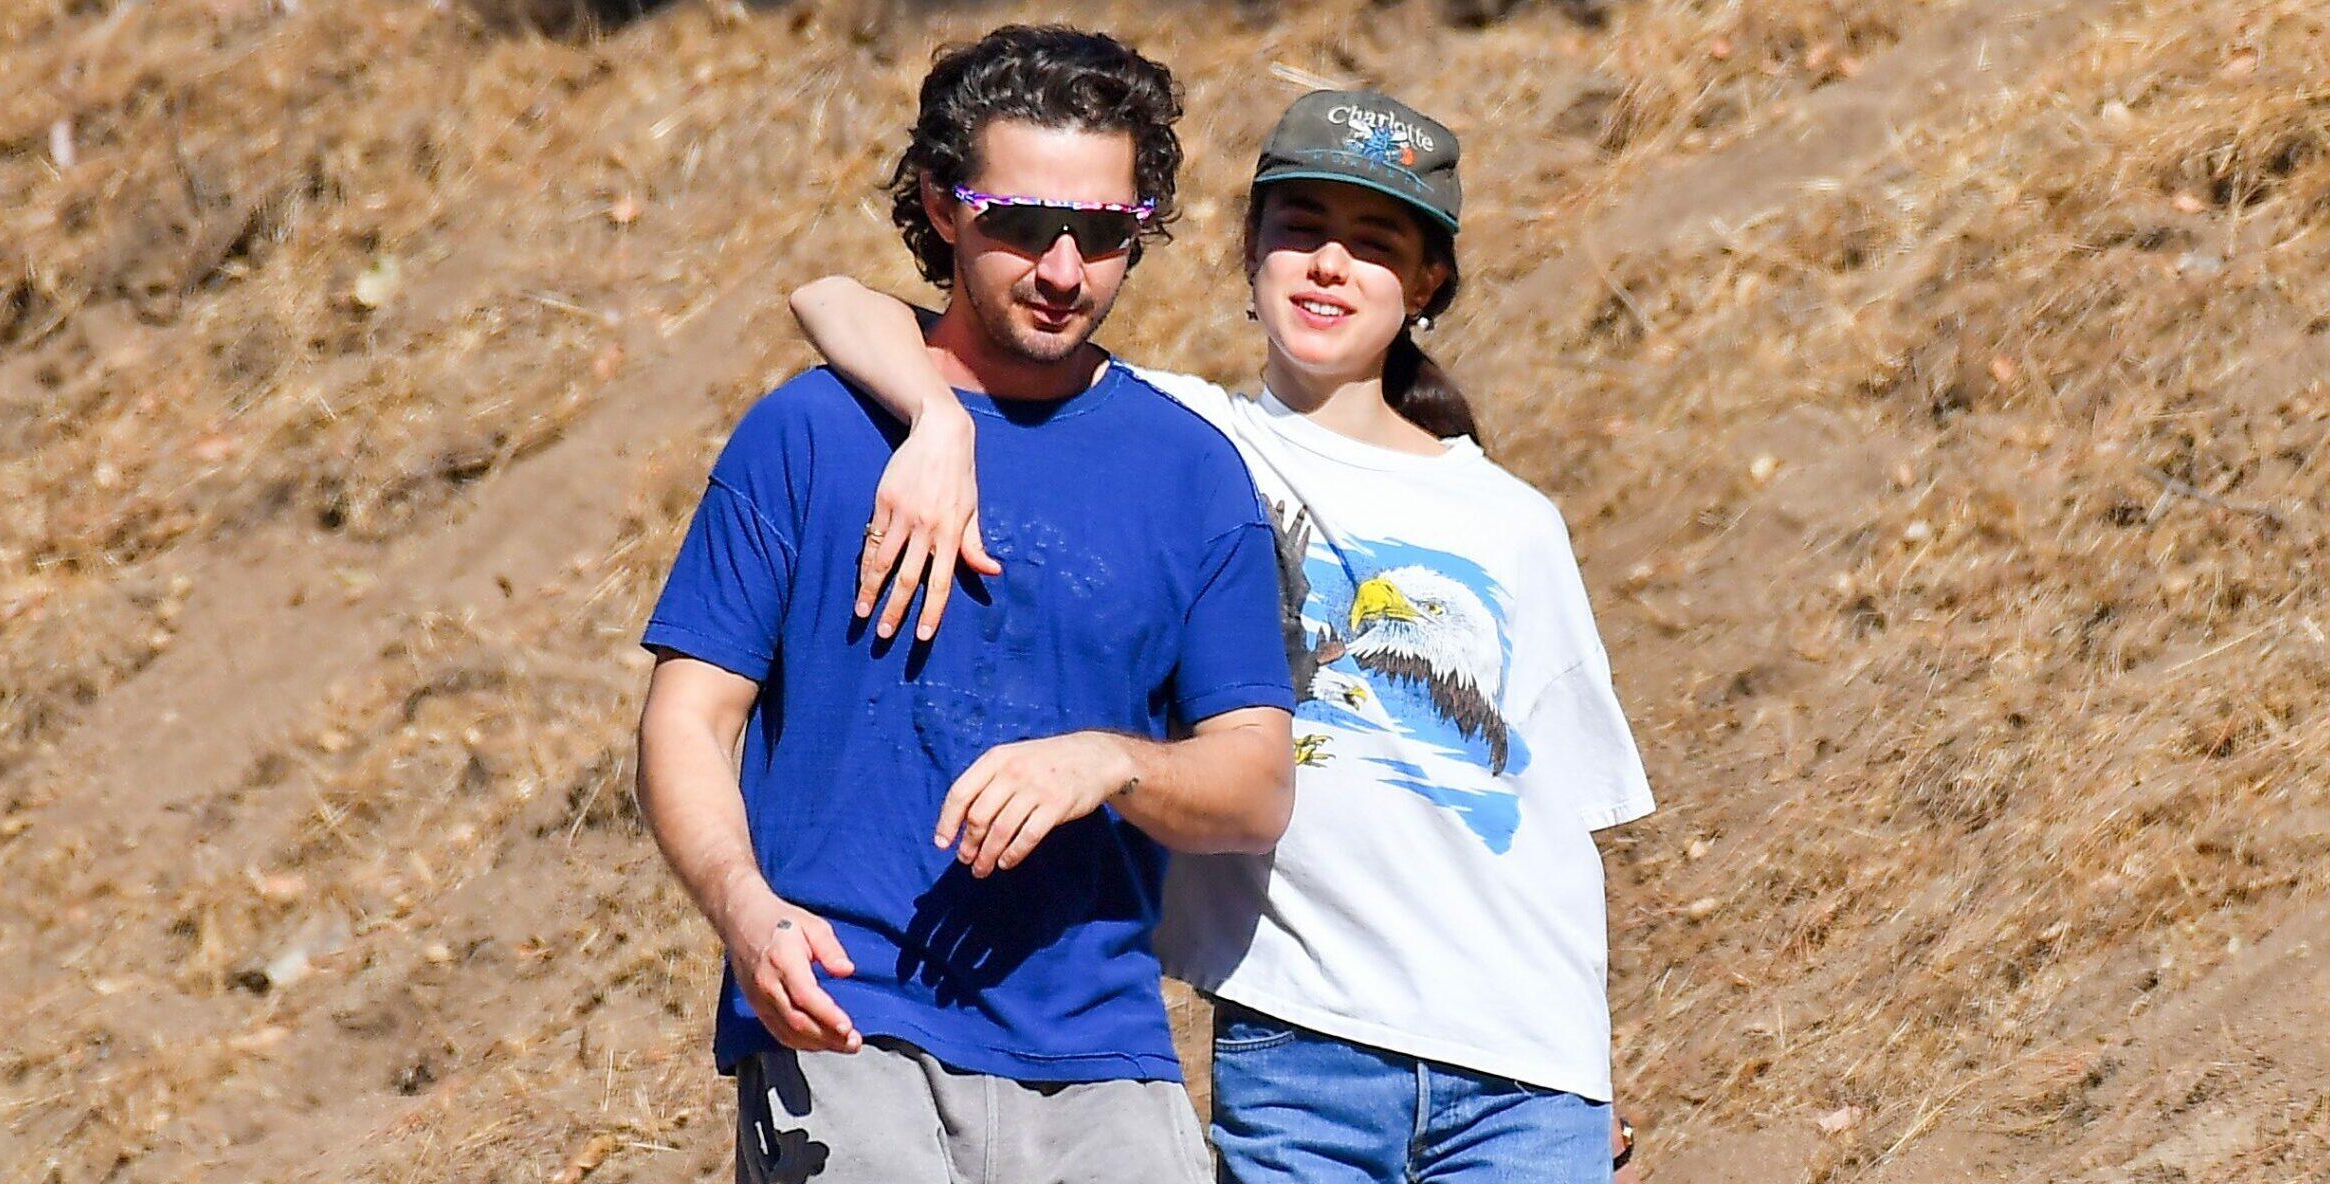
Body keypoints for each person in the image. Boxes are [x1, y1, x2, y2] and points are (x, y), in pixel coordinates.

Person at [791, 88, 1654, 1183]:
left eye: (1375, 243)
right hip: (1300, 1047)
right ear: (1247, 251)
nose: (1329, 265)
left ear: (1428, 281)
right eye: (1300, 230)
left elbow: (1559, 827)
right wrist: (935, 416)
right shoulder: (1185, 436)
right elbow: (831, 298)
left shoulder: (1516, 522)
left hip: (1523, 1067)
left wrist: (1594, 1068)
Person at [633, 26, 1298, 1184]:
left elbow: (1256, 784)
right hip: (845, 1018)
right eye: (1022, 223)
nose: (1061, 268)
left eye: (1102, 233)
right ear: (943, 206)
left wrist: (1114, 761)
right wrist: (743, 910)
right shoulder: (811, 433)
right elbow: (687, 720)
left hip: (1104, 1058)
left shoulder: (1191, 473)